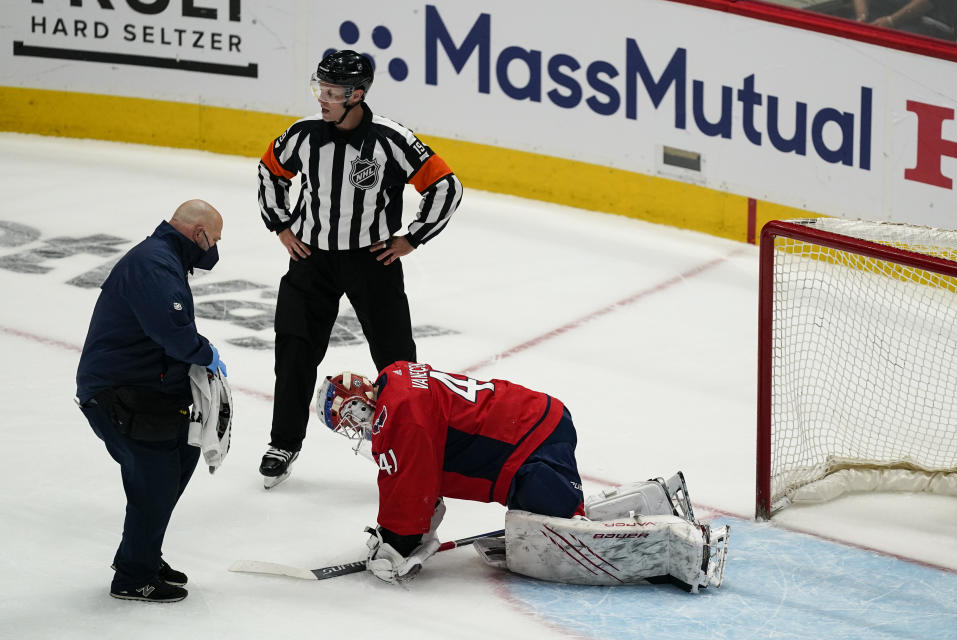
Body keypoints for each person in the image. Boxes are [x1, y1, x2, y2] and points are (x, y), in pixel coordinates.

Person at [317, 363, 730, 590]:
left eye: (349, 418)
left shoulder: (399, 413)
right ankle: (654, 499)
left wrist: (396, 542)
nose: (355, 428)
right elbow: (421, 475)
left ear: (360, 400)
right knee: (559, 519)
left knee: (565, 533)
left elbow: (408, 484)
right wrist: (414, 529)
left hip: (528, 447)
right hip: (533, 422)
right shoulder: (399, 380)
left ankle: (684, 546)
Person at [256, 50, 464, 489]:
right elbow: (271, 171)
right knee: (294, 352)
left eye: (332, 93)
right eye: (321, 90)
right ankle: (283, 442)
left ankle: (410, 444)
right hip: (310, 260)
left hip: (372, 263)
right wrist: (281, 225)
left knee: (397, 361)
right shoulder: (304, 133)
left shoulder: (391, 138)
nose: (323, 100)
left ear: (357, 95)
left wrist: (411, 238)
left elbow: (446, 186)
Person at [75, 199, 228, 603]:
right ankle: (133, 576)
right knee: (155, 479)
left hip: (145, 390)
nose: (213, 250)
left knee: (182, 455)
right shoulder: (154, 264)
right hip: (118, 393)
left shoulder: (163, 259)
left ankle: (141, 554)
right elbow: (173, 333)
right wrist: (204, 352)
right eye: (214, 240)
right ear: (198, 235)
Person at [850, 0, 957, 39]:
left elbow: (925, 3)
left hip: (927, 24)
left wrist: (891, 21)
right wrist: (862, 16)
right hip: (878, 16)